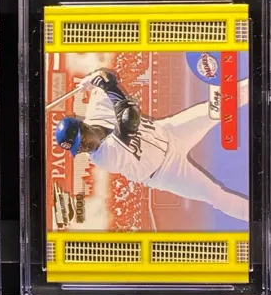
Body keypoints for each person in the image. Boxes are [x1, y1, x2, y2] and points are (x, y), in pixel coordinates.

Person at [55, 68, 249, 222]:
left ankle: (258, 84)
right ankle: (257, 217)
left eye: (81, 141)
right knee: (215, 195)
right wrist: (106, 85)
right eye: (78, 148)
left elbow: (109, 75)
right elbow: (129, 118)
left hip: (169, 132)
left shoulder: (96, 108)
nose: (84, 148)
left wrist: (96, 77)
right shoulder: (104, 158)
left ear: (83, 125)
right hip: (166, 172)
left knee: (218, 106)